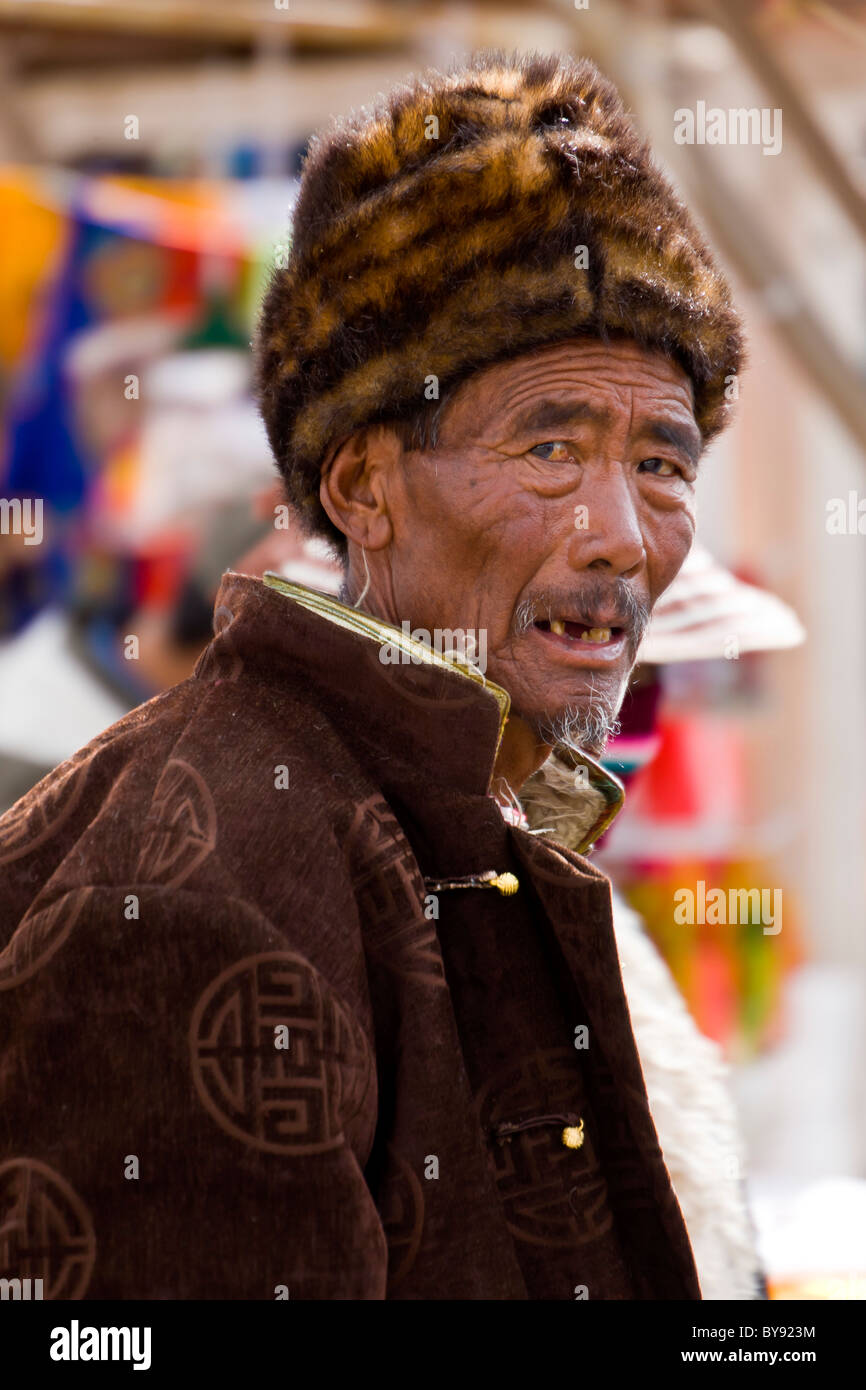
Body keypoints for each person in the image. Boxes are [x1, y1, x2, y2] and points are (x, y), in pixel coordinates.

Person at [0, 51, 746, 1300]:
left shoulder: (485, 822)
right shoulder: (195, 886)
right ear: (360, 486)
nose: (622, 530)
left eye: (661, 463)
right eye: (549, 446)